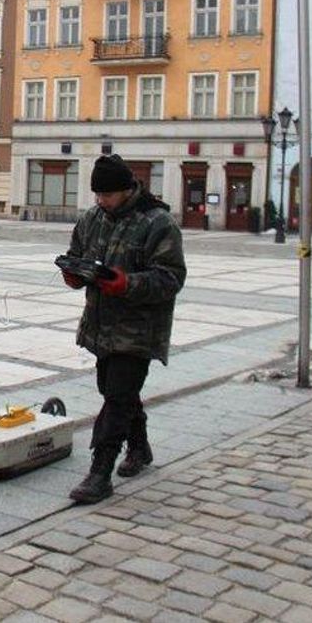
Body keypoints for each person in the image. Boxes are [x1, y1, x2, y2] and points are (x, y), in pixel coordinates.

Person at [61, 155, 186, 504]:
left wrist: (126, 283)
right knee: (115, 391)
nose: (101, 201)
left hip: (138, 330)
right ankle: (140, 447)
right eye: (97, 195)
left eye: (108, 195)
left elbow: (171, 278)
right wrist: (73, 273)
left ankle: (100, 472)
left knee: (116, 397)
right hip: (101, 324)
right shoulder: (92, 219)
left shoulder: (157, 222)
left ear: (127, 189)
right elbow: (77, 254)